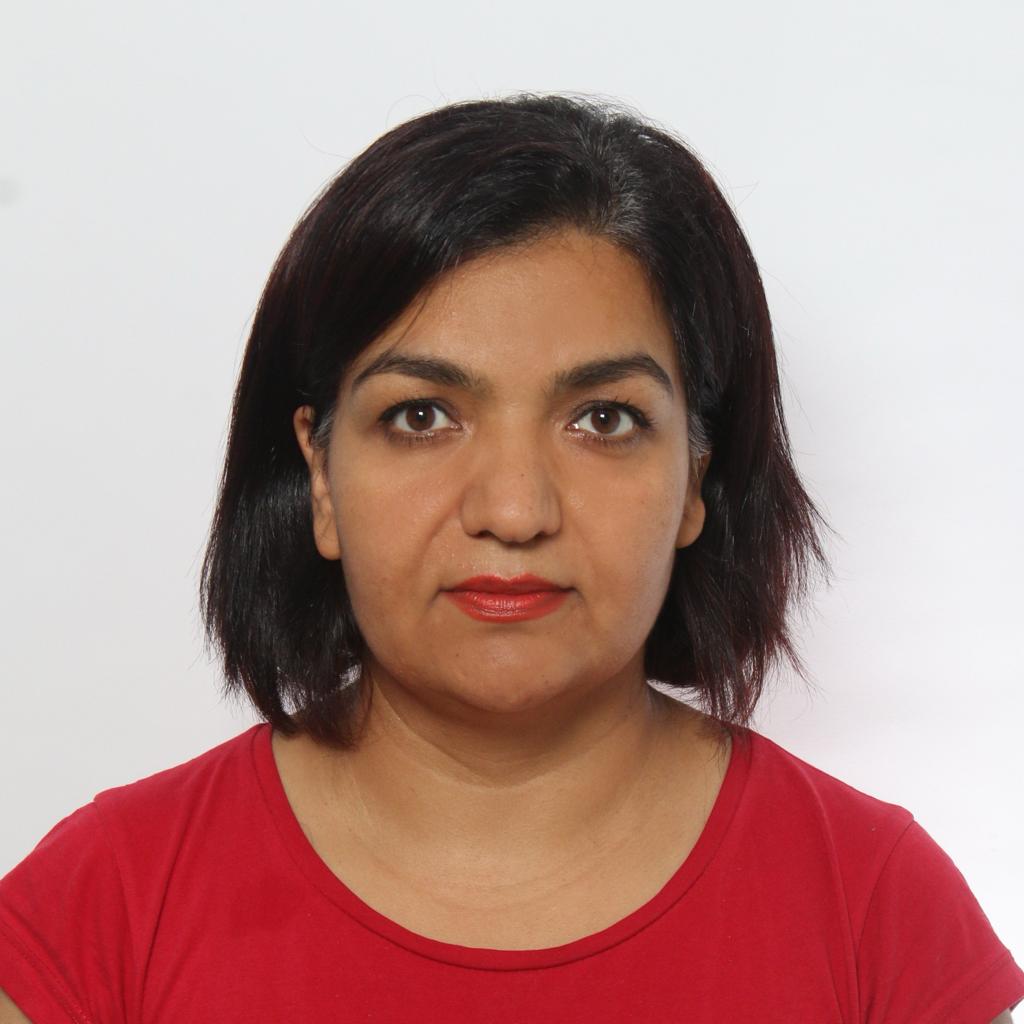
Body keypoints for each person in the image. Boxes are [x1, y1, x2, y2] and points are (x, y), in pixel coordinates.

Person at [0, 92, 1020, 1023]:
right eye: (422, 416)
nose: (514, 511)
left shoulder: (877, 912)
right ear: (320, 476)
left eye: (604, 418)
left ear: (695, 480)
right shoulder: (102, 908)